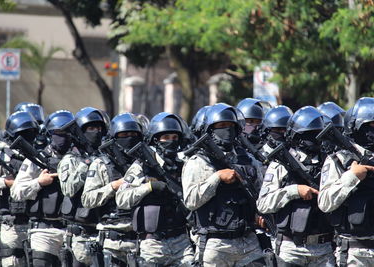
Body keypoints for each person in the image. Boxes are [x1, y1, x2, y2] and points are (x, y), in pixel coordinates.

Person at [182, 103, 264, 267]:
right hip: (215, 244)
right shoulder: (198, 162)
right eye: (221, 126)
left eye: (231, 126)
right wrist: (217, 178)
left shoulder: (248, 160)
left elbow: (261, 193)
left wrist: (261, 214)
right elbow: (191, 201)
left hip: (248, 242)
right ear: (210, 130)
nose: (227, 130)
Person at [257, 106, 335, 267]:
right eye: (309, 134)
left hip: (324, 248)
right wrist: (294, 191)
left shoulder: (330, 162)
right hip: (291, 248)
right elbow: (263, 204)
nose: (315, 138)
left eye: (318, 133)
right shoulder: (280, 164)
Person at [116, 112, 195, 267]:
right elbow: (121, 199)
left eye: (175, 138)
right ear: (156, 140)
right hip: (153, 244)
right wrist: (148, 187)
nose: (171, 142)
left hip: (182, 241)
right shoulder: (141, 166)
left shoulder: (184, 165)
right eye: (166, 138)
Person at [10, 110, 74, 267]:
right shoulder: (35, 159)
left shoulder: (79, 159)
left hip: (71, 233)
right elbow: (16, 192)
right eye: (57, 132)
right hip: (43, 232)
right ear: (50, 134)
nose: (62, 136)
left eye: (66, 132)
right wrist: (39, 182)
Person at [82, 112, 144, 266]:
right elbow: (87, 199)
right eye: (124, 134)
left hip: (141, 241)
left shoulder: (145, 163)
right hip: (111, 241)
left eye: (133, 134)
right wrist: (113, 186)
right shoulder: (101, 164)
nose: (129, 138)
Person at [318, 97, 374, 266]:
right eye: (370, 126)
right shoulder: (339, 159)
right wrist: (353, 176)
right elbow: (324, 202)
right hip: (354, 253)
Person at [0, 111, 39, 267]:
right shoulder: (3, 157)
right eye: (23, 134)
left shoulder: (37, 157)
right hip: (11, 226)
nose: (28, 137)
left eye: (31, 133)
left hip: (34, 225)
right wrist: (5, 182)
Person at [58, 107, 108, 267]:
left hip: (103, 231)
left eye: (99, 128)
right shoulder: (70, 159)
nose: (97, 132)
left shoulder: (105, 157)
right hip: (80, 236)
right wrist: (87, 163)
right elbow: (68, 189)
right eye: (92, 128)